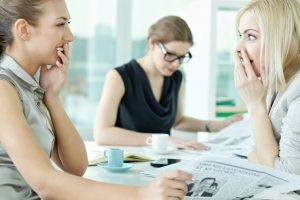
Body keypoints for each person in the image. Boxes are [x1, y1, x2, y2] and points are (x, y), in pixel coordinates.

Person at [0, 0, 192, 199]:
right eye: (60, 24)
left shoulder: (30, 87)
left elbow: (75, 166)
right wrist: (142, 194)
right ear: (24, 30)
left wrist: (52, 97)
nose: (70, 36)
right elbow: (45, 183)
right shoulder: (3, 87)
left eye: (68, 24)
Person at [93, 15, 242, 149]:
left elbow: (177, 121)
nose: (176, 64)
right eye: (171, 55)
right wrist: (161, 140)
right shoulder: (119, 77)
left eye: (182, 57)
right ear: (152, 44)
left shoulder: (177, 78)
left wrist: (216, 126)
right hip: (126, 163)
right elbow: (102, 134)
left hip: (160, 162)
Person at [234, 0, 300, 174]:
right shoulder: (274, 84)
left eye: (251, 36)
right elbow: (252, 148)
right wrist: (261, 158)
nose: (238, 47)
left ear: (281, 39)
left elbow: (288, 178)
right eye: (240, 35)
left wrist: (255, 105)